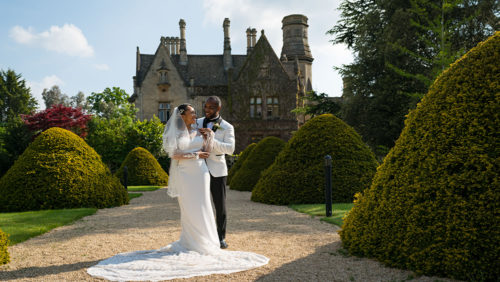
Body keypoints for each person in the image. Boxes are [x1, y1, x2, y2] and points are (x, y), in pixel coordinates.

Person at [87, 104, 268, 281]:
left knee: (204, 206)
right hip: (185, 174)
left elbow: (206, 151)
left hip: (201, 173)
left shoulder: (199, 130)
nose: (196, 115)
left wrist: (211, 137)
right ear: (182, 115)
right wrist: (196, 155)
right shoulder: (178, 132)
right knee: (189, 208)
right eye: (192, 113)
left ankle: (208, 241)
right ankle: (191, 241)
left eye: (196, 112)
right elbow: (174, 153)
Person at [196, 96, 235, 249]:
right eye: (205, 107)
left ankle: (221, 237)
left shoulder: (227, 127)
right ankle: (202, 236)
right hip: (198, 169)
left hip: (217, 171)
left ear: (218, 109)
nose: (207, 110)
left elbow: (230, 149)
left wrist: (211, 138)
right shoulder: (197, 122)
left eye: (211, 107)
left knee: (220, 205)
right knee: (200, 204)